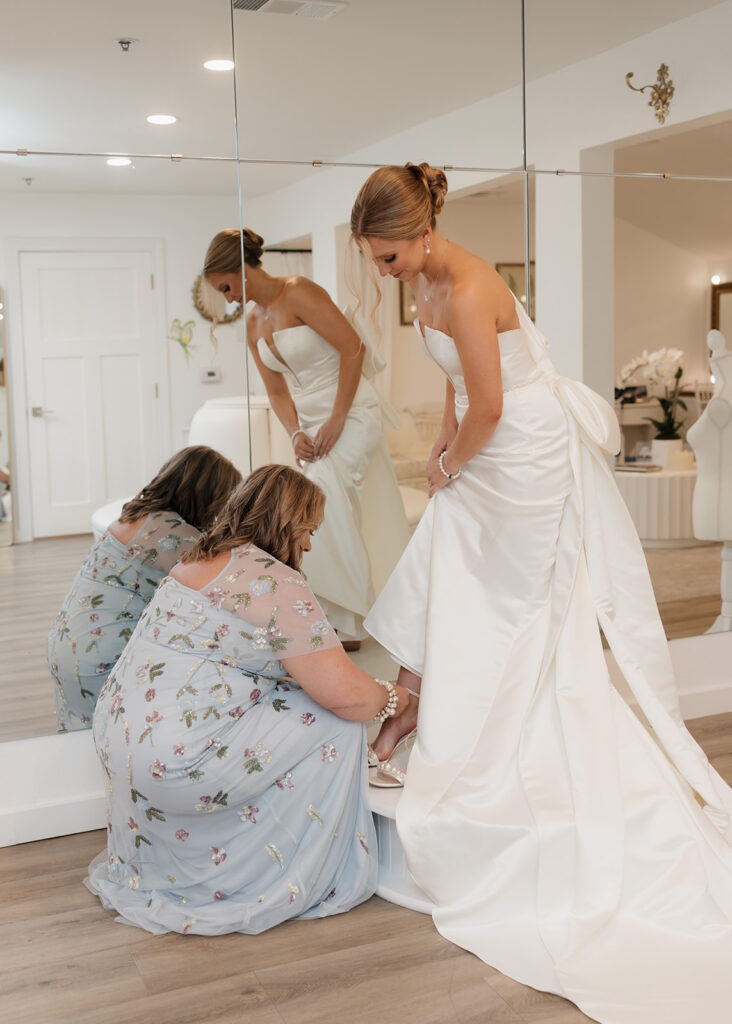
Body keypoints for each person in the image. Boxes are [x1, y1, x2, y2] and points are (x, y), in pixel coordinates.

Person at [350, 162, 732, 1023]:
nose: (386, 273)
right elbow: (454, 394)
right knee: (445, 564)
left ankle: (504, 743)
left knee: (516, 608)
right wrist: (440, 463)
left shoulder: (476, 282)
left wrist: (448, 461)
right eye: (379, 260)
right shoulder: (425, 285)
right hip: (483, 450)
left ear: (419, 234)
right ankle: (432, 715)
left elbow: (489, 405)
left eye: (388, 258)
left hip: (523, 454)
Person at [85, 464, 410, 934]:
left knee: (296, 702)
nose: (310, 545)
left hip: (121, 740)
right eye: (307, 530)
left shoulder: (192, 564)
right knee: (337, 722)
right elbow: (346, 695)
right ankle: (277, 865)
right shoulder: (276, 584)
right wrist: (397, 698)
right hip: (175, 761)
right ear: (285, 523)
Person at [203, 228, 410, 648]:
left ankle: (349, 621)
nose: (229, 298)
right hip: (311, 424)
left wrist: (337, 417)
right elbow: (277, 390)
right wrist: (295, 431)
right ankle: (336, 613)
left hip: (352, 412)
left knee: (324, 497)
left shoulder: (299, 291)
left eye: (227, 286)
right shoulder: (252, 324)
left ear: (241, 268)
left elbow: (353, 348)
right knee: (314, 509)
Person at [48, 446, 241, 732]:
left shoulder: (134, 515)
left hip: (66, 645)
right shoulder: (178, 536)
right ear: (209, 498)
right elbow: (228, 592)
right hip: (102, 659)